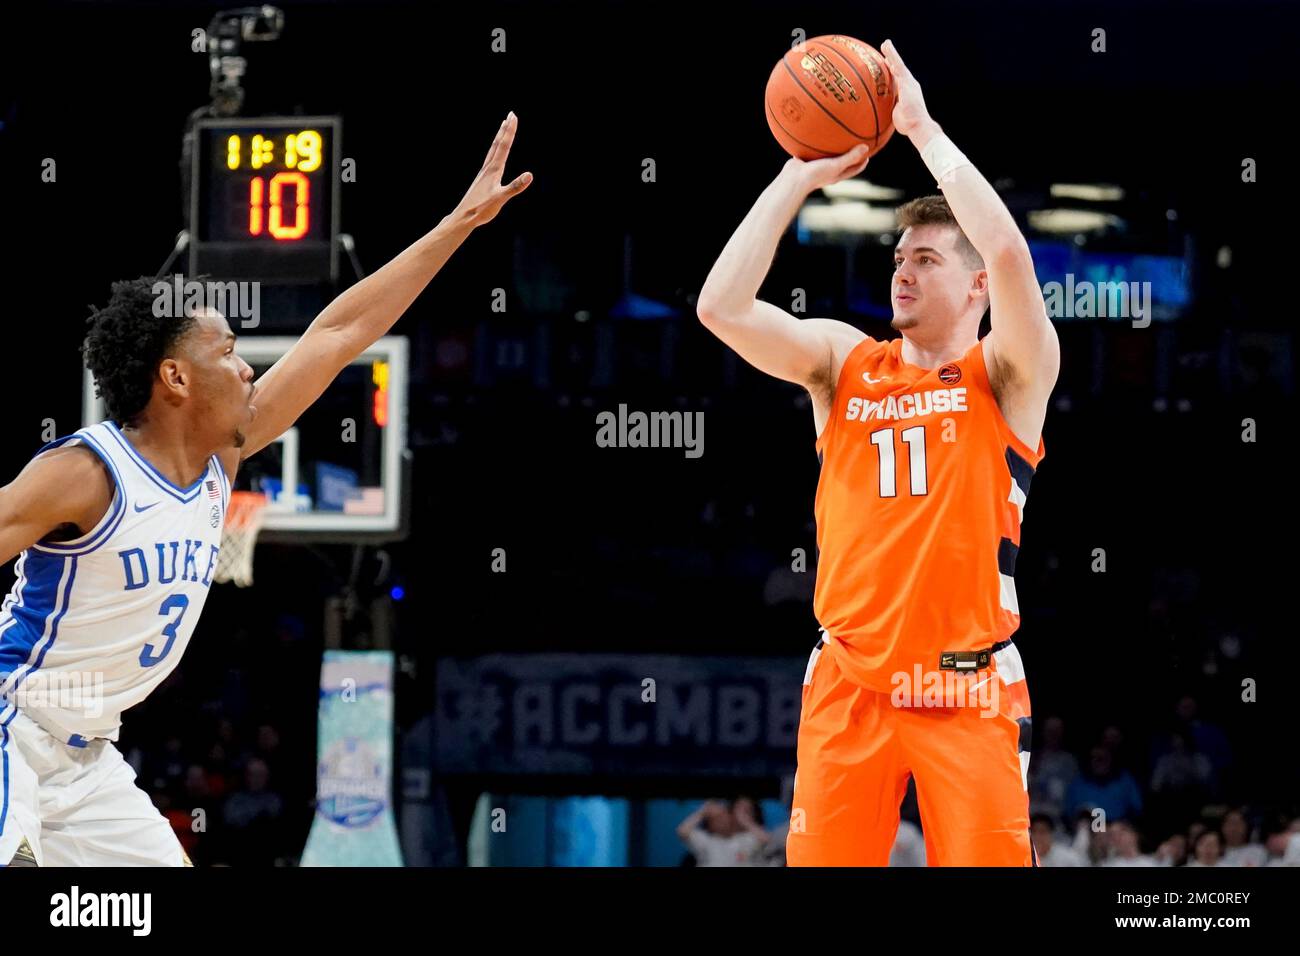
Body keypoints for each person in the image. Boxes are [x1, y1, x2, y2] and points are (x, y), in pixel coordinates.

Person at [0, 114, 531, 867]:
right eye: (227, 351)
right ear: (175, 378)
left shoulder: (222, 460)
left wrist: (456, 226)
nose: (247, 367)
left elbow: (339, 334)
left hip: (88, 762)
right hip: (10, 730)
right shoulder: (86, 473)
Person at [696, 39, 1058, 866]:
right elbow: (721, 305)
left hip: (967, 689)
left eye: (925, 260)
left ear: (973, 290)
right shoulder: (842, 362)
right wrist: (797, 175)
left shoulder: (1007, 374)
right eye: (899, 258)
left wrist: (924, 130)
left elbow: (1008, 254)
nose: (902, 273)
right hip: (850, 684)